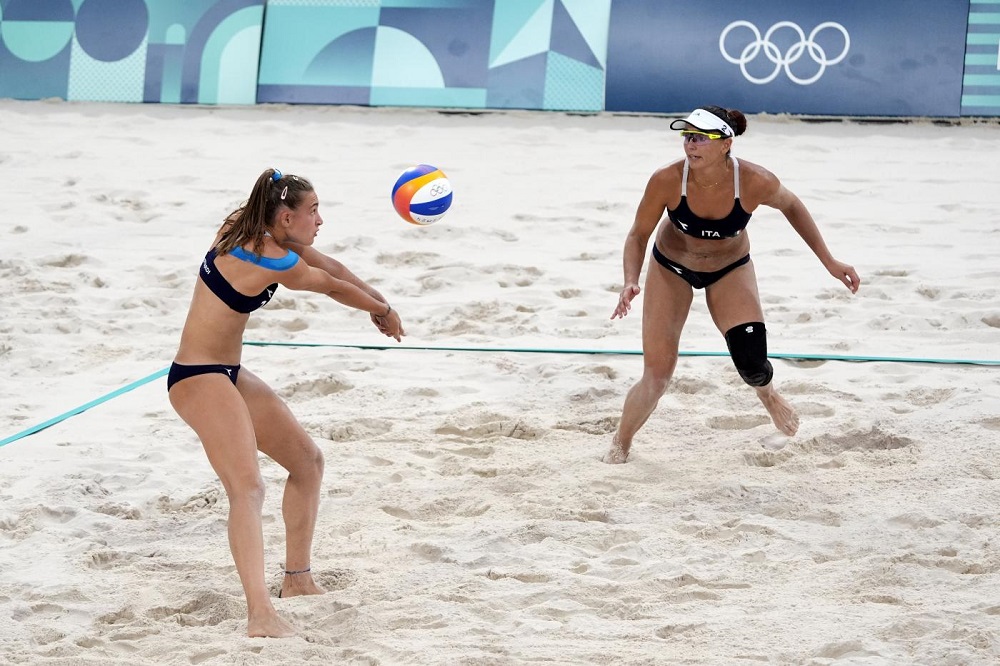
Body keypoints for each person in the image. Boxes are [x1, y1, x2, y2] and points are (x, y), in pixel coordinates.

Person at [167, 168, 404, 637]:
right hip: (198, 377)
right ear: (285, 215)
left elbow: (333, 268)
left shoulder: (243, 222)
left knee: (307, 461)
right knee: (247, 488)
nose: (320, 220)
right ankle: (260, 615)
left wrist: (383, 301)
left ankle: (297, 580)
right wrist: (380, 312)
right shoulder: (272, 261)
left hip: (227, 373)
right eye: (313, 210)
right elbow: (330, 286)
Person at [604, 106, 860, 464]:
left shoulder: (755, 180)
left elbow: (793, 207)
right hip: (671, 267)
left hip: (729, 267)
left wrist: (829, 261)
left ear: (726, 144)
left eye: (700, 138)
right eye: (687, 137)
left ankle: (769, 396)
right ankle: (621, 443)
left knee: (753, 362)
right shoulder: (667, 179)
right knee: (657, 376)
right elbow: (638, 234)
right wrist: (630, 280)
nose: (691, 145)